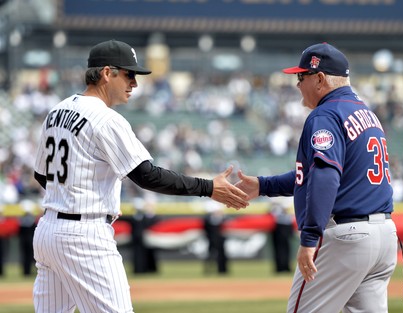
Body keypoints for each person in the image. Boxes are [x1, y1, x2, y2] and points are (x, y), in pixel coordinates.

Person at [32, 39, 249, 313]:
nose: (134, 82)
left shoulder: (56, 111)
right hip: (84, 235)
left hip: (48, 231)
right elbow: (147, 176)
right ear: (106, 73)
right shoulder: (106, 119)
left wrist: (75, 197)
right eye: (129, 74)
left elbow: (42, 175)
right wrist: (207, 187)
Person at [235, 43, 397, 313]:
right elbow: (313, 174)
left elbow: (325, 175)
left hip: (346, 236)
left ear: (320, 79)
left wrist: (310, 238)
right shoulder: (366, 113)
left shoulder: (325, 114)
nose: (297, 84)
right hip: (384, 236)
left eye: (301, 77)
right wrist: (264, 185)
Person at [130, 197, 159, 274]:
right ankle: (138, 270)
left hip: (145, 238)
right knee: (137, 255)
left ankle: (149, 269)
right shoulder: (135, 217)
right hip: (137, 239)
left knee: (148, 254)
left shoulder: (145, 217)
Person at [203, 200, 228, 274]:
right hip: (211, 239)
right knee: (210, 254)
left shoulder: (222, 219)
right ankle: (208, 271)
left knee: (222, 255)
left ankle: (222, 270)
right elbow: (206, 229)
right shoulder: (208, 219)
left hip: (220, 240)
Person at [269, 198, 294, 273]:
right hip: (276, 223)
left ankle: (285, 267)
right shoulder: (274, 194)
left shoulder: (288, 196)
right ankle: (279, 267)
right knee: (277, 246)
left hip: (286, 223)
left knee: (285, 246)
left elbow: (286, 207)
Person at [18, 199, 37, 276]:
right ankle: (28, 272)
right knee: (32, 256)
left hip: (23, 240)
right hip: (31, 240)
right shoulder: (32, 219)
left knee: (26, 256)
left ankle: (26, 272)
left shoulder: (21, 219)